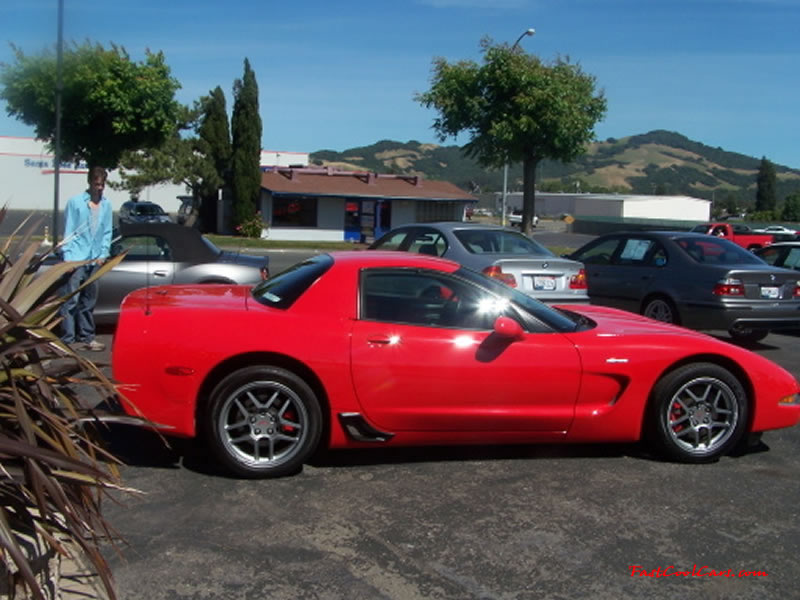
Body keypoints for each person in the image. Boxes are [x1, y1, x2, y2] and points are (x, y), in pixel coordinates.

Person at [59, 166, 113, 351]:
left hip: (94, 259)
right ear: (90, 183)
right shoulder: (75, 202)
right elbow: (69, 230)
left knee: (89, 301)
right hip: (77, 258)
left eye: (102, 185)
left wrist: (103, 254)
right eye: (96, 184)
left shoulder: (106, 205)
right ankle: (67, 338)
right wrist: (68, 258)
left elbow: (107, 231)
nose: (99, 188)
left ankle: (87, 336)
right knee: (71, 300)